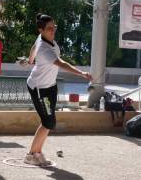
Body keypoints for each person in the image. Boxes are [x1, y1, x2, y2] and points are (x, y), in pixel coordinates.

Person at [24, 14, 92, 166]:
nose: (52, 30)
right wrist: (81, 73)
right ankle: (30, 155)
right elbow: (62, 64)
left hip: (50, 86)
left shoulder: (44, 40)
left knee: (49, 122)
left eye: (53, 26)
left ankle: (37, 152)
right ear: (41, 30)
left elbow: (33, 47)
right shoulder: (44, 49)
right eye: (49, 28)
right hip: (39, 88)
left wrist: (30, 61)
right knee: (48, 122)